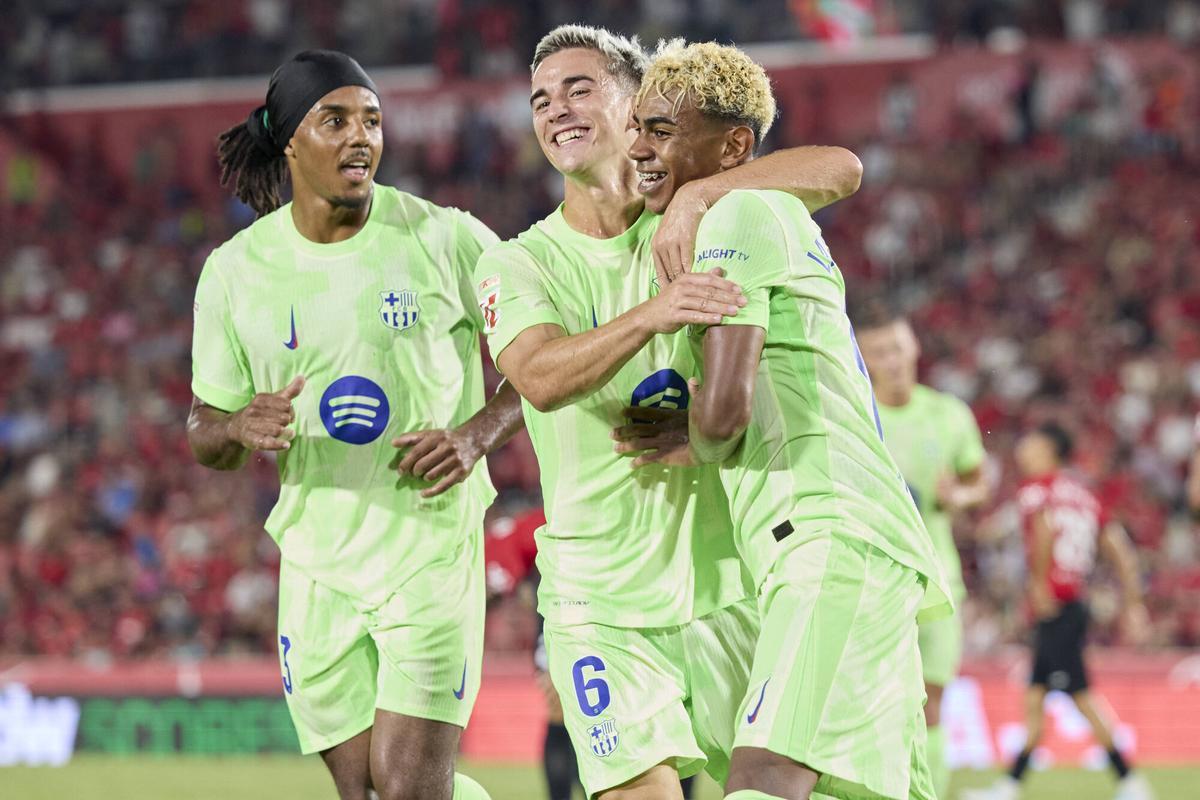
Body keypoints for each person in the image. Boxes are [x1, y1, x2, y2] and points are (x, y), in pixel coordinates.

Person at [475, 24, 863, 800]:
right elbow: (540, 377)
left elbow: (841, 168)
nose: (556, 109)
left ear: (635, 106)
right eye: (540, 100)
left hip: (733, 588)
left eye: (580, 88)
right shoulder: (517, 261)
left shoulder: (707, 221)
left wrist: (701, 191)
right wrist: (655, 314)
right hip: (599, 604)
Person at [187, 50, 522, 800]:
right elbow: (202, 430)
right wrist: (239, 426)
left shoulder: (447, 239)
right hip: (317, 562)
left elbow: (548, 355)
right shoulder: (235, 272)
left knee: (405, 787)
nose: (360, 137)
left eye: (371, 119)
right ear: (288, 141)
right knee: (367, 793)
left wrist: (475, 435)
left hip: (430, 551)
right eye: (334, 119)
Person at [619, 40, 950, 800]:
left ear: (733, 147)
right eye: (637, 126)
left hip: (826, 531)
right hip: (847, 531)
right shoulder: (761, 209)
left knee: (763, 774)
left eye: (662, 130)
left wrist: (698, 436)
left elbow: (728, 413)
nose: (638, 145)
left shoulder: (738, 211)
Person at [964, 423, 1153, 800]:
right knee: (1035, 698)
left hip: (1057, 606)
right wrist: (1133, 601)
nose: (1023, 449)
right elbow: (1118, 546)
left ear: (1049, 450)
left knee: (1081, 697)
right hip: (1073, 604)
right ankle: (1010, 786)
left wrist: (1037, 586)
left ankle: (1130, 781)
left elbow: (1044, 529)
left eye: (1031, 443)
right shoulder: (1083, 495)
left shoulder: (1037, 489)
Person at [853, 299, 991, 799]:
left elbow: (979, 481)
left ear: (912, 345)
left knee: (932, 698)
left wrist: (962, 495)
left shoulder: (948, 414)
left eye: (896, 347)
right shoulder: (854, 413)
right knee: (867, 700)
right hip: (870, 580)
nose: (890, 359)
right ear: (862, 357)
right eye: (878, 352)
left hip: (937, 577)